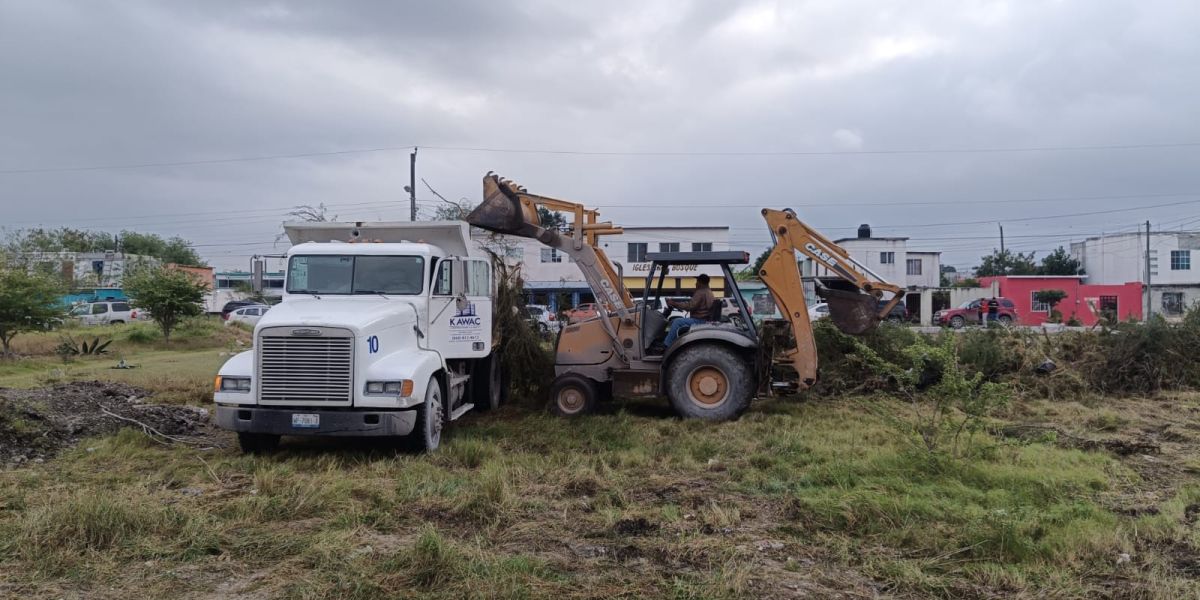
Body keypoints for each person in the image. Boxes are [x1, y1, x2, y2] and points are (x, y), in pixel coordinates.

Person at [662, 273, 717, 348]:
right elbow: (692, 304)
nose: (696, 283)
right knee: (673, 321)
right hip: (703, 319)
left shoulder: (701, 292)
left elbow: (690, 306)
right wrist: (677, 304)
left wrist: (674, 303)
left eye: (697, 281)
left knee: (677, 322)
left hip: (699, 320)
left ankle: (666, 345)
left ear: (700, 282)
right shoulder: (708, 291)